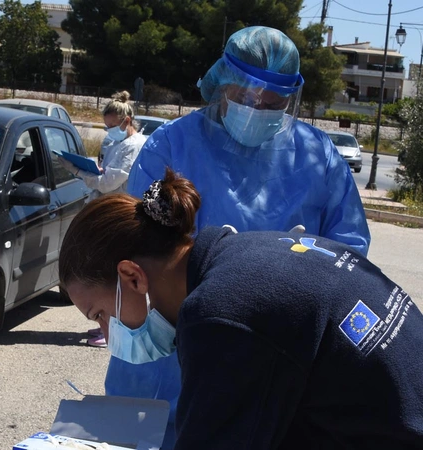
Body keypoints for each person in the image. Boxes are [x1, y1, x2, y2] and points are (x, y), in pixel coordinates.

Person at [109, 26, 373, 447]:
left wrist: (306, 271)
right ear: (221, 85)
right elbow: (140, 253)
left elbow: (349, 256)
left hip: (277, 351)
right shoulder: (171, 147)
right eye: (247, 99)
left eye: (274, 104)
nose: (259, 110)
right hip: (179, 356)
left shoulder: (317, 156)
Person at [59, 168, 423, 449]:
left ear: (132, 277)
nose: (106, 334)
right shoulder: (243, 255)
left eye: (99, 315)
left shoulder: (219, 315)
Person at [58, 90, 147, 348]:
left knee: (113, 278)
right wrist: (93, 171)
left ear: (126, 121)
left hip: (120, 217)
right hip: (108, 213)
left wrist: (79, 172)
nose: (109, 131)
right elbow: (106, 174)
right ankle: (105, 323)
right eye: (106, 127)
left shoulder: (134, 146)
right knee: (105, 275)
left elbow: (108, 183)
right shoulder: (117, 144)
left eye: (112, 126)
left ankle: (114, 329)